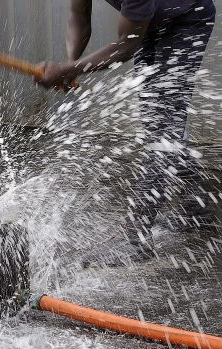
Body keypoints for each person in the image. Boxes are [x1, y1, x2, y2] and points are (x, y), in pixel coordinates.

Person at [37, 0, 216, 265]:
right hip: (154, 21)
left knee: (162, 130)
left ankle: (135, 240)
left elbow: (126, 47)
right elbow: (79, 14)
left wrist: (68, 70)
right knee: (160, 122)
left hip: (188, 19)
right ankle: (196, 208)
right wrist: (70, 64)